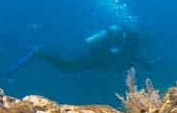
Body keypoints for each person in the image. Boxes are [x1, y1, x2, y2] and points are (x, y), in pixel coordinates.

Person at [8, 23, 151, 76]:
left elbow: (129, 59)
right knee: (69, 67)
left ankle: (38, 51)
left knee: (70, 64)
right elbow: (126, 57)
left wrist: (145, 64)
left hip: (98, 58)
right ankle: (40, 52)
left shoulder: (130, 41)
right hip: (97, 57)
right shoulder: (131, 42)